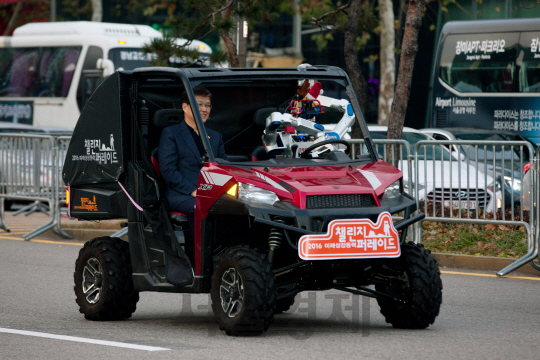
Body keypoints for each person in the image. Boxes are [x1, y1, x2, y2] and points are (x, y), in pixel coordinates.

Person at [158, 86, 227, 259]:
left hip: (209, 192)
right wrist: (193, 190)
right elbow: (168, 170)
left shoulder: (215, 136)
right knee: (200, 206)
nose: (204, 109)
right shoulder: (171, 134)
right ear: (185, 107)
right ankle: (201, 261)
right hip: (181, 194)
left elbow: (223, 167)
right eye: (199, 105)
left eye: (207, 105)